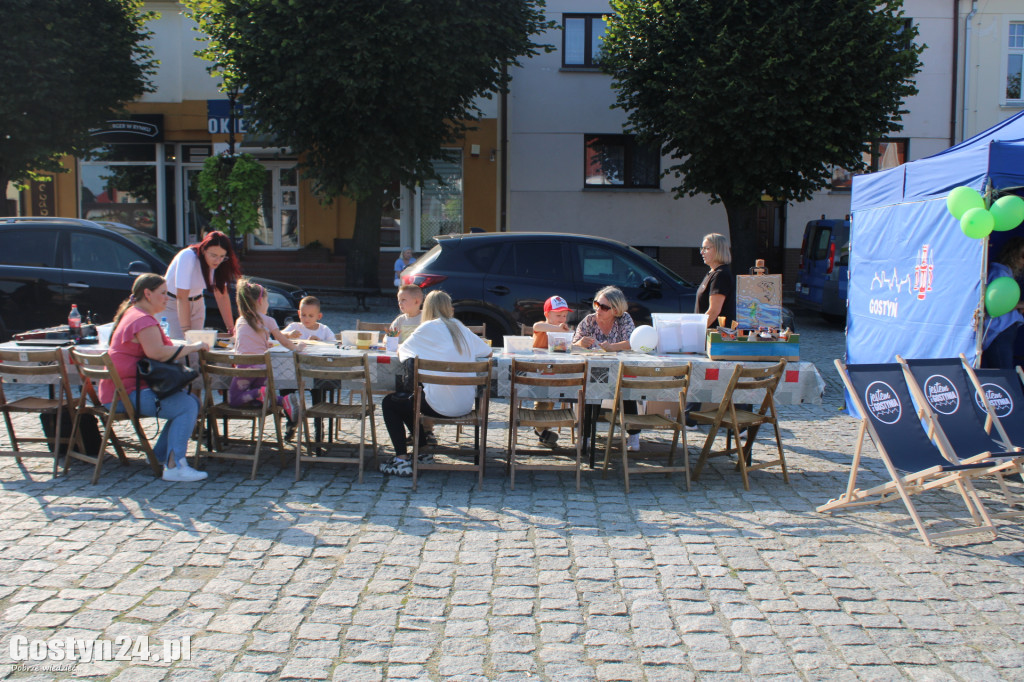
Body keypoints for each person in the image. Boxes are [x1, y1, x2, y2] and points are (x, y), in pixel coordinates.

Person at [102, 274, 210, 482]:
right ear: (147, 294)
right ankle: (174, 466)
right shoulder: (142, 319)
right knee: (187, 406)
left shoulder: (136, 315)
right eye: (163, 293)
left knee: (191, 402)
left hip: (121, 391)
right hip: (126, 393)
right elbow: (157, 353)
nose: (167, 298)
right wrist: (194, 346)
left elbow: (162, 348)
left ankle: (161, 457)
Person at [379, 290, 492, 477]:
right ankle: (423, 449)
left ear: (427, 308)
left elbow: (402, 353)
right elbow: (487, 352)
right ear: (449, 308)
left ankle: (401, 459)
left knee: (392, 403)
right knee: (408, 401)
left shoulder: (426, 328)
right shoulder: (459, 327)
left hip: (438, 405)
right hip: (464, 405)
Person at [572, 286, 641, 451]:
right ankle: (586, 436)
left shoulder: (624, 319)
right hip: (596, 371)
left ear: (616, 310)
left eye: (604, 307)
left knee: (627, 391)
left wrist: (612, 347)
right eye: (597, 304)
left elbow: (633, 342)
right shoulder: (589, 320)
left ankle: (634, 435)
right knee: (593, 392)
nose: (598, 309)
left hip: (620, 370)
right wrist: (580, 344)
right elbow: (572, 346)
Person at [229, 278, 305, 423]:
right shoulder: (268, 320)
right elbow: (282, 340)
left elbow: (240, 342)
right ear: (260, 302)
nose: (268, 304)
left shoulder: (240, 320)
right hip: (263, 369)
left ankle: (265, 395)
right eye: (267, 301)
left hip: (245, 369)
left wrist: (264, 343)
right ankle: (283, 401)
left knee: (234, 399)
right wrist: (297, 348)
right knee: (257, 401)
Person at [163, 231, 241, 339]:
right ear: (204, 250)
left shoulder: (221, 264)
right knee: (179, 346)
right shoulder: (188, 256)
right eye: (213, 255)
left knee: (196, 352)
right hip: (173, 303)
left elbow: (222, 295)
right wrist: (186, 331)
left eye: (222, 256)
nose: (218, 260)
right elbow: (182, 296)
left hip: (197, 303)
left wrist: (231, 328)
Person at [532, 295, 572, 448]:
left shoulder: (561, 330)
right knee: (543, 400)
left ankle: (543, 431)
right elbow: (537, 327)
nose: (562, 319)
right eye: (558, 315)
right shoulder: (544, 326)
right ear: (547, 314)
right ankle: (540, 429)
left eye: (564, 315)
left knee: (550, 401)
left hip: (552, 371)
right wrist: (555, 328)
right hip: (536, 371)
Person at [983, 237, 1024, 369]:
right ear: (1013, 255)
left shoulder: (1006, 273)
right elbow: (995, 302)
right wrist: (1019, 305)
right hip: (999, 329)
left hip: (1004, 328)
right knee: (1002, 369)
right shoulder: (999, 273)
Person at [696, 232, 736, 328]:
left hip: (716, 338)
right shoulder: (712, 273)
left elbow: (714, 311)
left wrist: (697, 331)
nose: (702, 252)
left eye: (707, 248)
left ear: (719, 250)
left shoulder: (721, 274)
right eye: (702, 248)